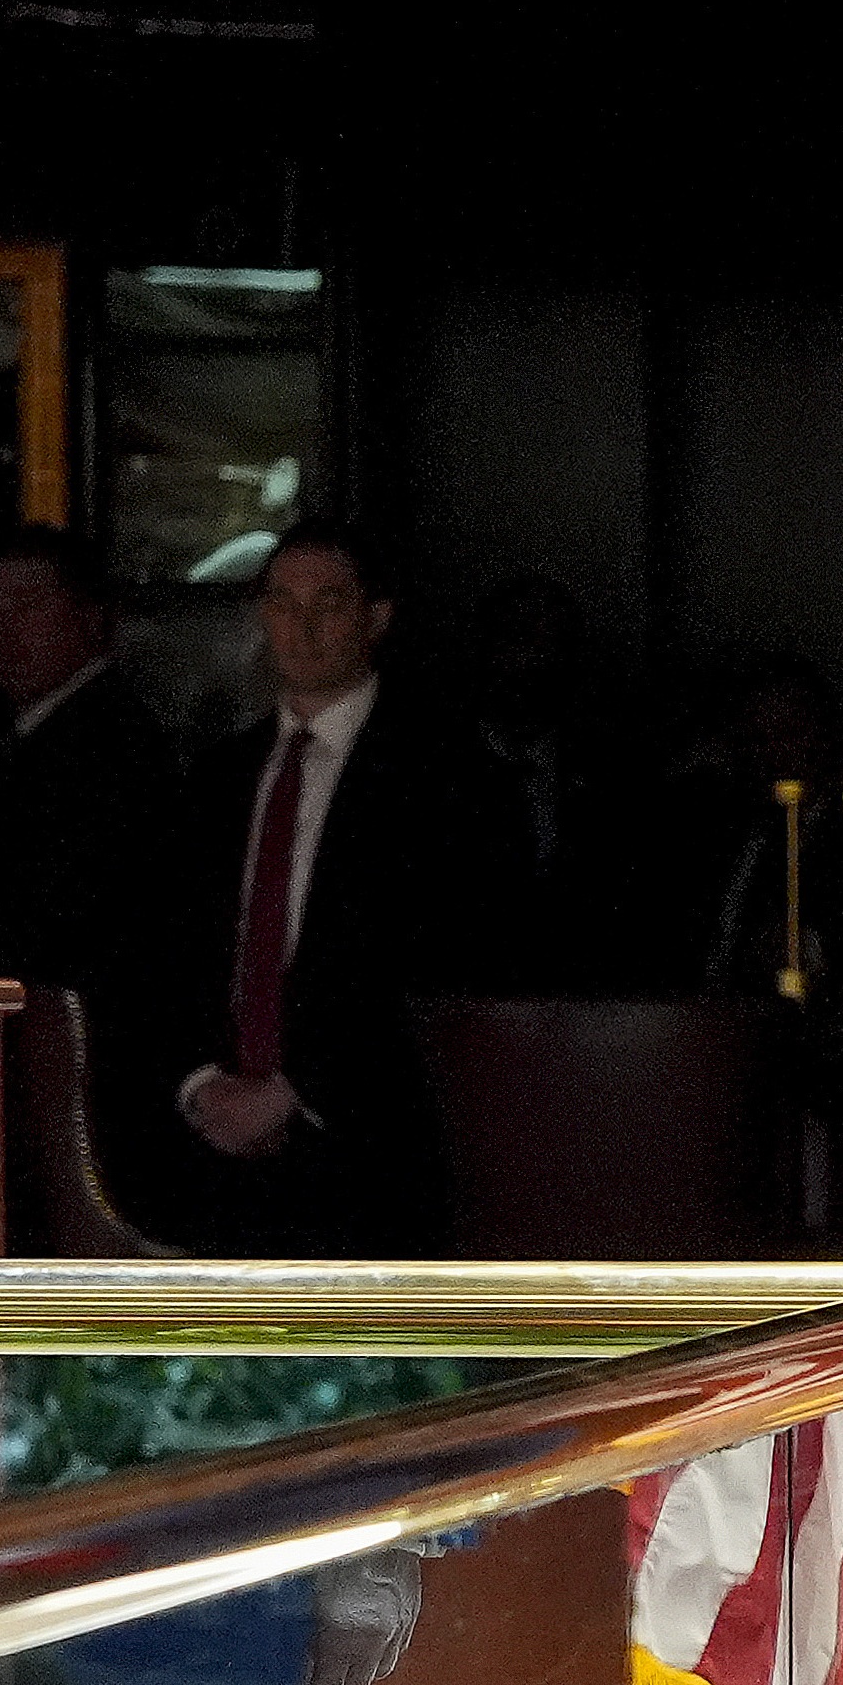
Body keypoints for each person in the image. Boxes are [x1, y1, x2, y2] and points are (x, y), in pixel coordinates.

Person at [133, 520, 527, 1254]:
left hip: (375, 1153)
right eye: (282, 603)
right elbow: (165, 951)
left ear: (376, 617)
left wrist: (294, 1089)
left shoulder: (450, 776)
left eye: (329, 603)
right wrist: (199, 1085)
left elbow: (452, 962)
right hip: (208, 1154)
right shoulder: (215, 778)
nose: (302, 627)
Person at [0, 525, 182, 1014]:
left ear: (89, 616)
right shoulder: (25, 739)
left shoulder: (107, 747)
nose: (0, 632)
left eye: (25, 606)